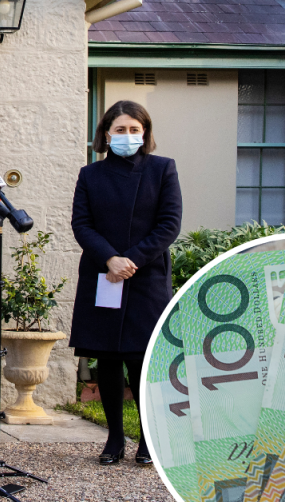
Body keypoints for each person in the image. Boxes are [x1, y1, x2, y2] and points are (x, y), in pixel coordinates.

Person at [70, 100, 182, 465]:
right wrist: (111, 259)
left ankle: (147, 441)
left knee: (141, 359)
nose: (128, 136)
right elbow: (82, 224)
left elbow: (169, 224)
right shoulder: (91, 175)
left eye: (135, 129)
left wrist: (131, 260)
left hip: (146, 277)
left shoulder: (162, 169)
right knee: (108, 358)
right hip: (103, 274)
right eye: (120, 130)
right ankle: (114, 439)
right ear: (106, 134)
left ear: (145, 133)